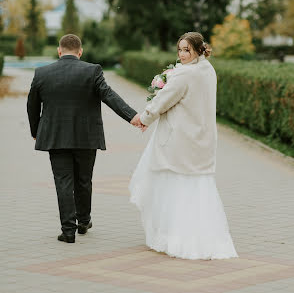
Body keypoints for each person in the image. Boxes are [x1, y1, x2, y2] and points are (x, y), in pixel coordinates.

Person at [130, 32, 238, 260]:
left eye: (187, 50)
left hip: (179, 140)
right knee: (198, 189)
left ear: (199, 50)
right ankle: (203, 238)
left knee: (174, 188)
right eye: (179, 49)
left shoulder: (184, 74)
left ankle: (175, 238)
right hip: (202, 139)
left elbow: (163, 100)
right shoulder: (208, 70)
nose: (182, 54)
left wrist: (145, 118)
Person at [27, 34, 143, 243]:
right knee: (83, 180)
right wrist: (132, 116)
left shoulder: (42, 73)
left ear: (59, 51)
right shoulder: (92, 71)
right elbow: (109, 95)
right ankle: (83, 221)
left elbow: (32, 105)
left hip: (55, 136)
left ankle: (68, 231)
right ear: (80, 52)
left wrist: (36, 130)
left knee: (63, 181)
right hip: (86, 136)